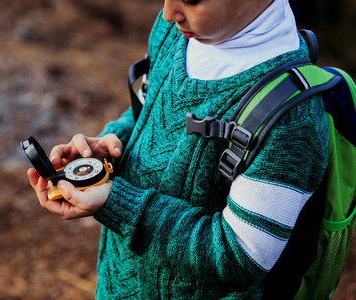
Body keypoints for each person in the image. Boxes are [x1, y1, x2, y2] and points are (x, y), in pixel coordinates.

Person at [27, 0, 328, 298]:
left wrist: (116, 202)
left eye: (191, 0)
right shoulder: (175, 33)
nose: (169, 13)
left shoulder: (291, 117)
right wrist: (111, 145)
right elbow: (146, 113)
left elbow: (240, 256)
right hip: (118, 284)